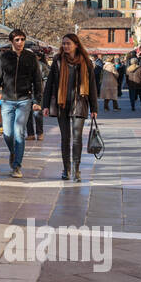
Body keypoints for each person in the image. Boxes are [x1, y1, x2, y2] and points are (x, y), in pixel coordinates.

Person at [41, 33, 99, 180]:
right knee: (65, 138)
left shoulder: (86, 62)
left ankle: (76, 169)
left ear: (76, 45)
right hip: (62, 104)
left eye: (68, 43)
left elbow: (92, 86)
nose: (65, 46)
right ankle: (66, 169)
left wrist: (94, 108)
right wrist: (45, 104)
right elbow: (50, 84)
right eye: (64, 43)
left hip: (79, 103)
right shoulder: (58, 61)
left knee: (77, 137)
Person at [0, 28, 43, 178]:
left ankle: (17, 166)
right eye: (17, 40)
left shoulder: (30, 58)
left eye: (22, 39)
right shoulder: (4, 57)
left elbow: (37, 80)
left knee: (19, 133)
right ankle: (13, 152)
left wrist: (38, 100)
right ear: (11, 41)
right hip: (6, 100)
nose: (20, 42)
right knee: (7, 134)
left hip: (24, 100)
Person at [28, 52, 49, 140]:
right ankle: (30, 134)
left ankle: (40, 133)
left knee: (37, 113)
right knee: (27, 114)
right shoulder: (27, 65)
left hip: (38, 92)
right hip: (27, 92)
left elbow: (46, 77)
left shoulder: (42, 66)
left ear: (39, 57)